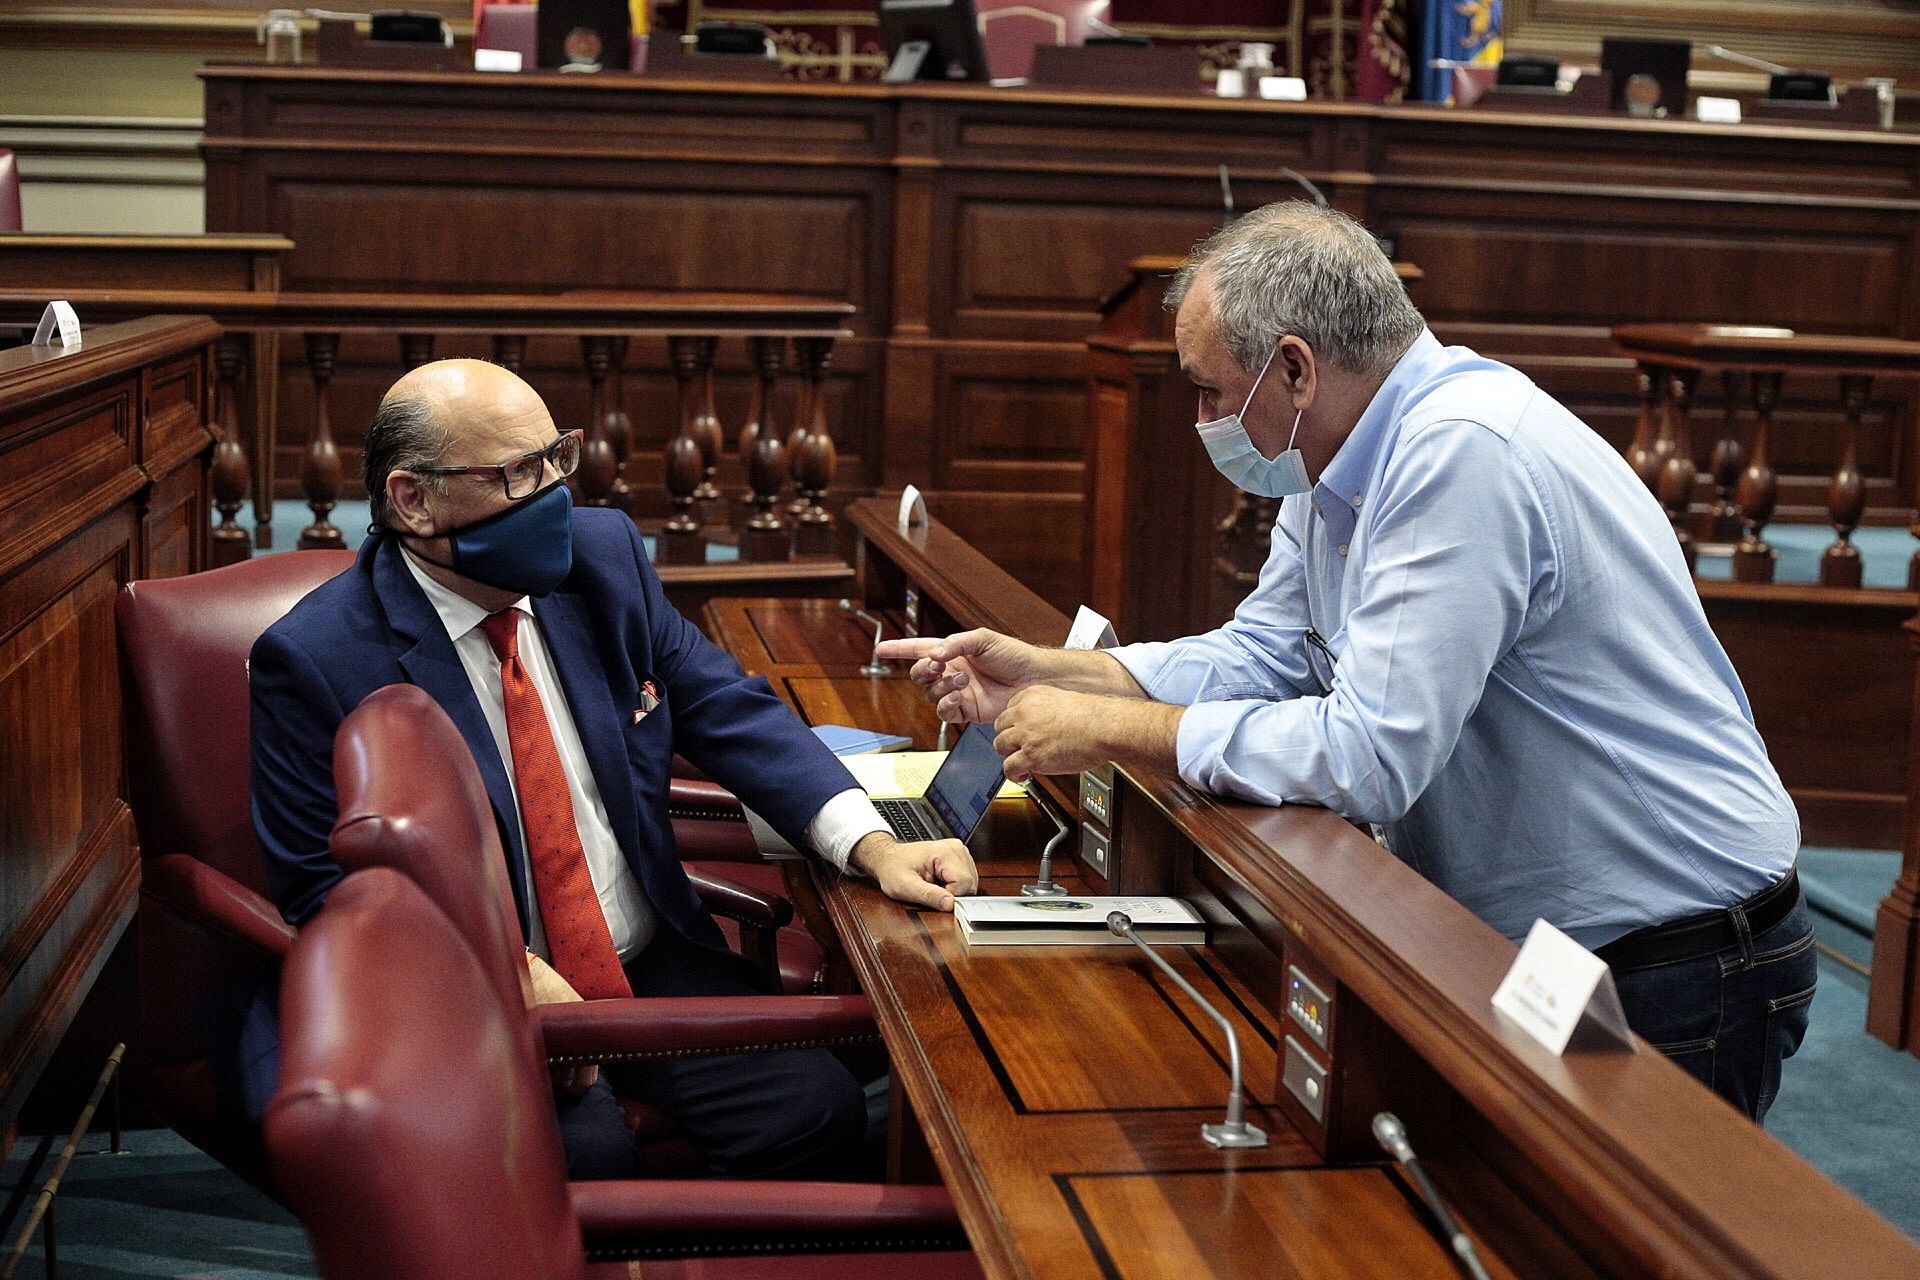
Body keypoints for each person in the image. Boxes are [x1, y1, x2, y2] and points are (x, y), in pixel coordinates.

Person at [879, 202, 1814, 1122]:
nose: (1201, 418)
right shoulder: (1335, 453)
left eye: (1209, 390)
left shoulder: (1461, 453)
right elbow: (1266, 653)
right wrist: (1057, 675)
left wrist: (1112, 730)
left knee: (1623, 1238)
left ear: (1293, 367)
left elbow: (1370, 755)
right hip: (1556, 939)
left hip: (1678, 951)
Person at [252, 359, 977, 1178]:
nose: (557, 493)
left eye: (557, 456)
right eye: (520, 474)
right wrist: (503, 967)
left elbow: (727, 709)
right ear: (413, 500)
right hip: (482, 988)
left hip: (650, 956)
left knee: (817, 1109)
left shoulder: (601, 562)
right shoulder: (316, 661)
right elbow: (323, 888)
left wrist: (874, 845)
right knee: (580, 1159)